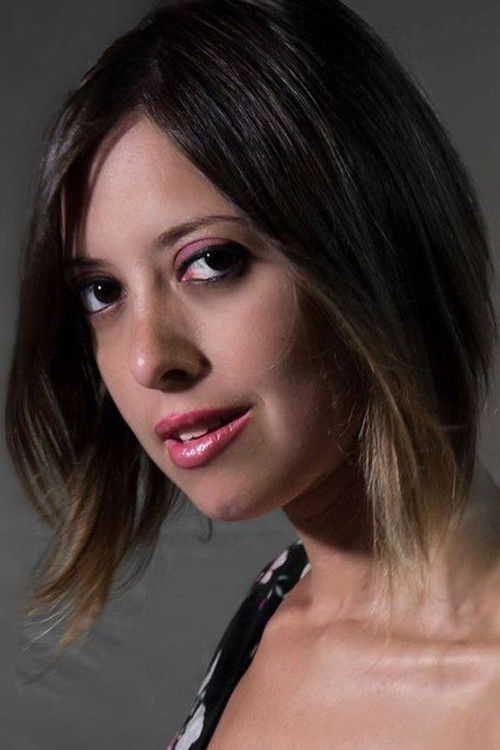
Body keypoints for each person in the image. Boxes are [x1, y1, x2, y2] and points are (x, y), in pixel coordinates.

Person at [5, 0, 499, 747]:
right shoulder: (274, 608)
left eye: (210, 261)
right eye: (103, 293)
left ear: (373, 245)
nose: (147, 358)